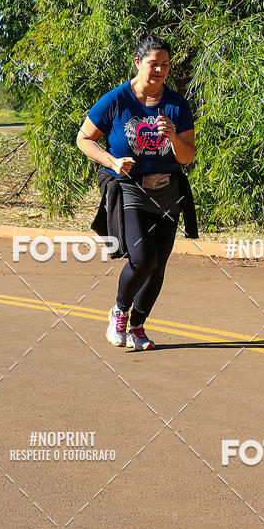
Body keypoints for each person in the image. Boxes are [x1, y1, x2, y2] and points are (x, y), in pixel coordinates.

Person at [76, 33, 196, 350]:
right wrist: (113, 162)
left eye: (165, 65)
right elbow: (84, 138)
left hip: (168, 191)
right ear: (137, 63)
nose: (159, 71)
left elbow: (188, 157)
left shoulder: (176, 105)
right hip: (130, 188)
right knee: (142, 258)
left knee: (159, 264)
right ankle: (119, 311)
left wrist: (173, 136)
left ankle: (138, 326)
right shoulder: (116, 100)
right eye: (153, 64)